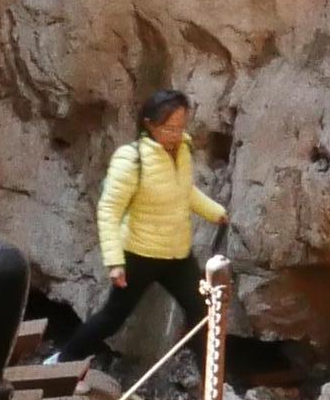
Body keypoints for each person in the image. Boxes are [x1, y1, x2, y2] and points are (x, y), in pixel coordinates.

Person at [58, 88, 227, 367]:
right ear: (149, 124)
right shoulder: (131, 159)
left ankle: (214, 385)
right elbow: (109, 209)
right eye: (168, 128)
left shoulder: (183, 149)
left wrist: (215, 212)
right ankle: (63, 362)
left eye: (180, 127)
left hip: (178, 255)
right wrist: (114, 262)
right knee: (112, 318)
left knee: (202, 313)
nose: (175, 134)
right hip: (140, 253)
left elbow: (184, 191)